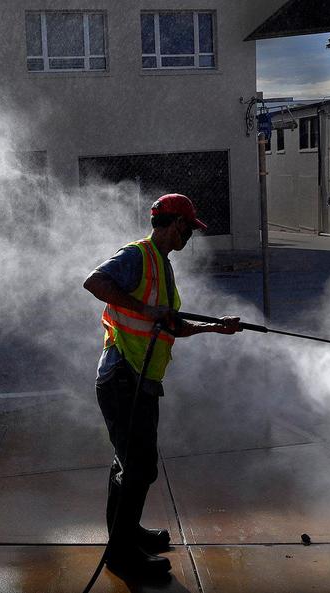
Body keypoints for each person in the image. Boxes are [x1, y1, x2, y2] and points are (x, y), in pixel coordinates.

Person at [83, 193, 242, 580]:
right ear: (175, 224)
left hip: (142, 380)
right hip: (123, 377)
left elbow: (172, 325)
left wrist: (214, 326)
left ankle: (126, 533)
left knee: (130, 463)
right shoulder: (137, 255)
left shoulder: (163, 267)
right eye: (189, 228)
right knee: (139, 468)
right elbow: (94, 282)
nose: (190, 236)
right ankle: (122, 554)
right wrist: (147, 310)